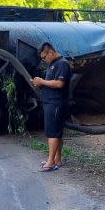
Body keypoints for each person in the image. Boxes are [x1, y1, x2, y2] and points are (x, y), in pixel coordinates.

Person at [31, 42, 71, 172]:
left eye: (44, 57)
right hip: (51, 102)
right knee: (56, 133)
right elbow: (52, 82)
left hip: (56, 103)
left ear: (51, 52)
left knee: (52, 133)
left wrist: (42, 81)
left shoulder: (62, 64)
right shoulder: (54, 64)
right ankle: (57, 159)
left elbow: (59, 83)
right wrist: (41, 83)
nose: (44, 60)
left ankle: (50, 162)